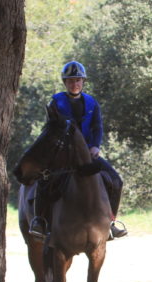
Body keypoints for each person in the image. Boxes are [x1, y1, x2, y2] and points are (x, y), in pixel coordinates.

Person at [29, 61, 128, 240]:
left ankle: (111, 222)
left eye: (78, 80)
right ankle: (40, 221)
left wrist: (95, 146)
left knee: (116, 181)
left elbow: (98, 127)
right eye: (70, 81)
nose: (74, 84)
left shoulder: (92, 103)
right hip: (63, 155)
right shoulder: (55, 102)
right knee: (44, 180)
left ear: (83, 82)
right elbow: (51, 129)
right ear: (65, 83)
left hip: (88, 154)